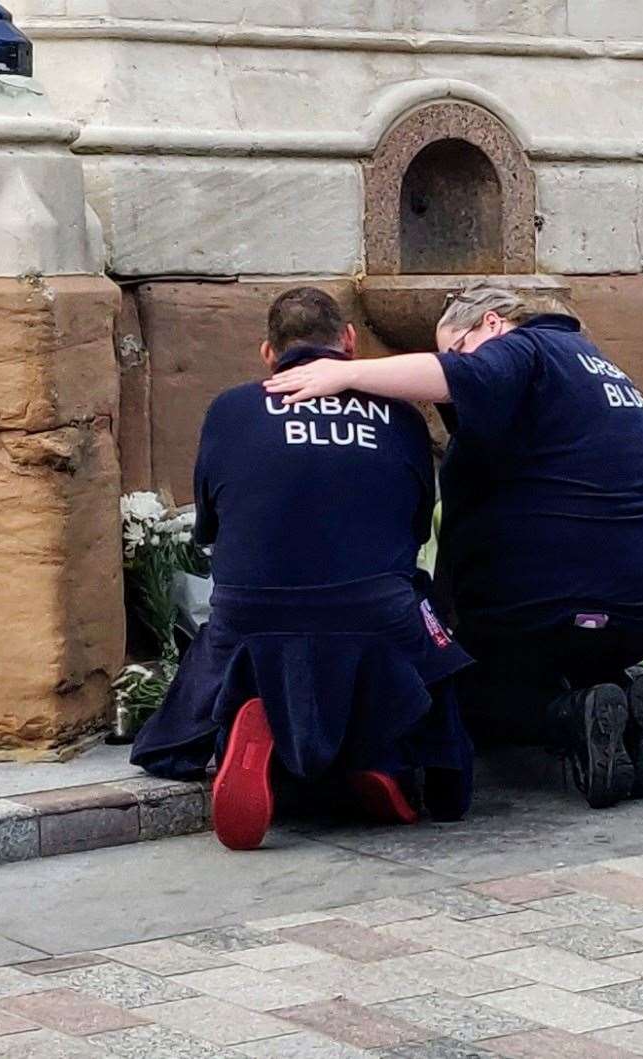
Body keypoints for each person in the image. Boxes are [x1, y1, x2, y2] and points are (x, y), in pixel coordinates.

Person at [266, 286, 643, 810]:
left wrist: (346, 374)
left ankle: (571, 714)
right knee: (562, 652)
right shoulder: (595, 366)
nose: (454, 364)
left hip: (563, 599)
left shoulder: (524, 348)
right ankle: (626, 706)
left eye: (456, 349)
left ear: (491, 324)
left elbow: (464, 378)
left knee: (465, 688)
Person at [130, 288, 475, 850]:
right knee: (429, 639)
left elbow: (210, 525)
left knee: (222, 638)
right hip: (375, 612)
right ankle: (388, 755)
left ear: (269, 353)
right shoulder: (402, 416)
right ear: (348, 341)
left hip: (252, 617)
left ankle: (249, 723)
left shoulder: (230, 410)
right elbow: (416, 530)